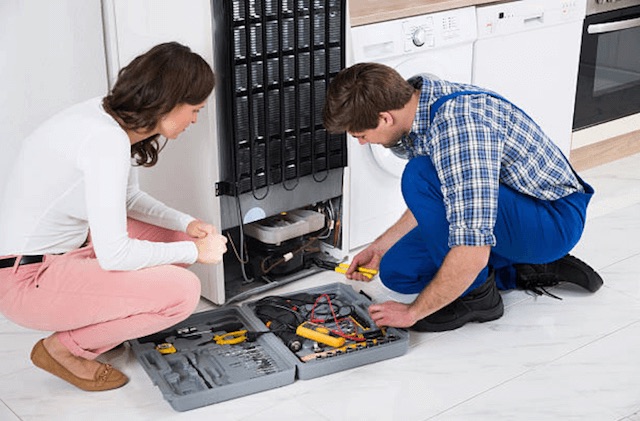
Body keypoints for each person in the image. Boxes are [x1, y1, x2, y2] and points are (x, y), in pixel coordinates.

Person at [0, 42, 228, 391]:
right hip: (25, 280)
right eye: (194, 109)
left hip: (61, 255)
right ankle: (63, 349)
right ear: (169, 102)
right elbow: (115, 254)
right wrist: (195, 254)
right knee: (183, 293)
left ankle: (103, 322)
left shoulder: (103, 118)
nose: (195, 120)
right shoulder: (106, 141)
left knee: (183, 241)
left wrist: (186, 225)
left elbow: (128, 198)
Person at [323, 62, 603, 332]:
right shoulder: (419, 105)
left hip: (552, 220)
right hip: (510, 208)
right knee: (399, 271)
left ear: (385, 118)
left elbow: (472, 242)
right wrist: (381, 247)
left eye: (361, 134)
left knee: (419, 174)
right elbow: (445, 195)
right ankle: (521, 267)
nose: (361, 142)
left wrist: (413, 312)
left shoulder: (458, 129)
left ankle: (478, 299)